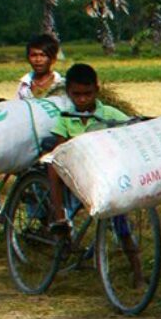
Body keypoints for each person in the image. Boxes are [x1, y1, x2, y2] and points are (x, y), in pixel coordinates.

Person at [39, 63, 136, 265]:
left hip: (106, 175)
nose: (82, 99)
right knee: (54, 163)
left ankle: (137, 271)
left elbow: (131, 129)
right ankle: (60, 217)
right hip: (74, 172)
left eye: (88, 94)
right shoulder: (66, 118)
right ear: (68, 93)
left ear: (97, 91)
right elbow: (60, 149)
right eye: (76, 95)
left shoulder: (110, 114)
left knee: (122, 225)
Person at [16, 33, 62, 102]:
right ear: (28, 58)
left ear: (53, 59)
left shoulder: (61, 85)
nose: (38, 60)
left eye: (43, 55)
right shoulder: (24, 85)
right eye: (34, 55)